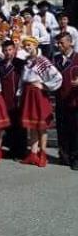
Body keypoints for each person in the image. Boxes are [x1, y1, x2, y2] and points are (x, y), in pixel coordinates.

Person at [19, 36, 62, 168]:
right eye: (26, 46)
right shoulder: (27, 61)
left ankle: (42, 154)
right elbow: (23, 79)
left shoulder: (42, 61)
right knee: (32, 125)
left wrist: (44, 85)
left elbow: (57, 76)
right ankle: (33, 153)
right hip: (29, 93)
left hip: (38, 94)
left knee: (41, 126)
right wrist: (20, 92)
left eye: (30, 45)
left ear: (35, 46)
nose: (27, 48)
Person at [53, 32, 78, 170]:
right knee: (62, 129)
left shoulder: (77, 58)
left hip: (74, 101)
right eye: (58, 43)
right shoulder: (56, 59)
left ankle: (75, 158)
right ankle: (64, 156)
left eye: (61, 43)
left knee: (75, 131)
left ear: (70, 42)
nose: (59, 45)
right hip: (60, 99)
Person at [0, 40, 27, 159]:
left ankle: (21, 151)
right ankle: (12, 149)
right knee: (9, 126)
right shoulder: (1, 64)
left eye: (10, 50)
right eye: (5, 50)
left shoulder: (20, 63)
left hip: (17, 99)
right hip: (5, 98)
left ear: (14, 50)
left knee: (19, 126)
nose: (7, 52)